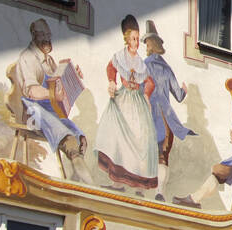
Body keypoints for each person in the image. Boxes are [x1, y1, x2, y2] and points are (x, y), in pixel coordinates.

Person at [12, 18, 92, 183]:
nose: (48, 39)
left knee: (80, 138)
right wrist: (53, 95)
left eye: (49, 35)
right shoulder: (28, 57)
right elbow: (32, 90)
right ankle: (89, 185)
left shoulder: (49, 60)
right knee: (70, 141)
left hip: (50, 110)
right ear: (34, 36)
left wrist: (73, 76)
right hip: (33, 112)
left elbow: (58, 84)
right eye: (43, 35)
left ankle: (78, 176)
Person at [95, 15, 159, 191]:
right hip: (123, 99)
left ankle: (138, 186)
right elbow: (111, 68)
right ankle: (117, 182)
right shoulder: (119, 56)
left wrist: (146, 95)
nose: (137, 42)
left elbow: (149, 81)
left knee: (141, 139)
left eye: (138, 39)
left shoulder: (140, 62)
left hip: (137, 103)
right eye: (133, 39)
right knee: (118, 138)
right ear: (127, 39)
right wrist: (111, 82)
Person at [142, 20, 195, 202]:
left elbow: (139, 89)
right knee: (162, 156)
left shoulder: (144, 65)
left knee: (142, 149)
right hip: (165, 117)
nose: (146, 46)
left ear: (151, 44)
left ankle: (140, 187)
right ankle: (160, 191)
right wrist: (185, 90)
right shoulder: (166, 68)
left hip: (148, 113)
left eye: (147, 42)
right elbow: (179, 95)